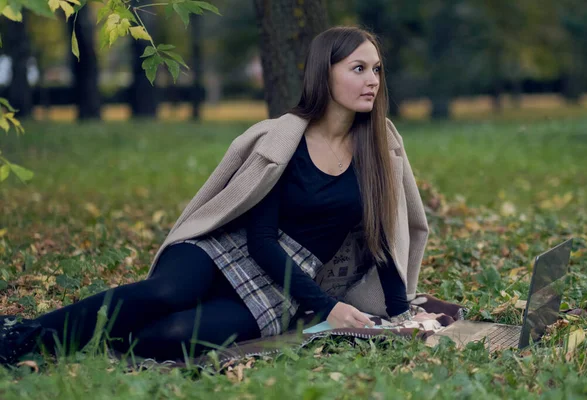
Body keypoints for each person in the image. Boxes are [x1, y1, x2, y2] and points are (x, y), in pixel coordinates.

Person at [0, 26, 432, 366]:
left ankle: (89, 336)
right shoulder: (282, 140)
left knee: (168, 337)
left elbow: (383, 240)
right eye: (359, 68)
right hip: (226, 248)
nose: (372, 80)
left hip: (286, 283)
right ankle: (19, 337)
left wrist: (401, 316)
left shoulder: (379, 149)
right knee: (165, 293)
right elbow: (260, 239)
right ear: (326, 72)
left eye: (376, 69)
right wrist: (327, 308)